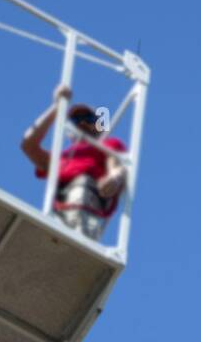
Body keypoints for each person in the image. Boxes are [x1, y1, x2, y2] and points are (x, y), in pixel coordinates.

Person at [20, 84, 127, 241]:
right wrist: (57, 107)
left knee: (81, 186)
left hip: (86, 206)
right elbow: (28, 144)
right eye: (76, 119)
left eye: (89, 119)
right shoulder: (61, 158)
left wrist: (114, 179)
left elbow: (116, 167)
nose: (82, 123)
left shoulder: (108, 145)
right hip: (59, 212)